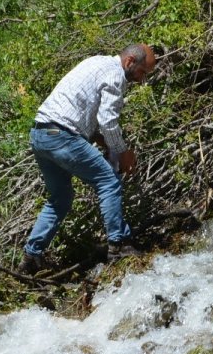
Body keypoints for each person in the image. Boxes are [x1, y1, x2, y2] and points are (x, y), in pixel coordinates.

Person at [21, 44, 157, 272]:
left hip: (40, 134)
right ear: (130, 61)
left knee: (61, 198)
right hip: (62, 136)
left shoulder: (97, 62)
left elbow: (81, 115)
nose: (142, 80)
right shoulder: (115, 76)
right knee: (108, 182)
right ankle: (118, 245)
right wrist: (122, 152)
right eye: (143, 72)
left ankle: (31, 256)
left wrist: (104, 142)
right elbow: (108, 120)